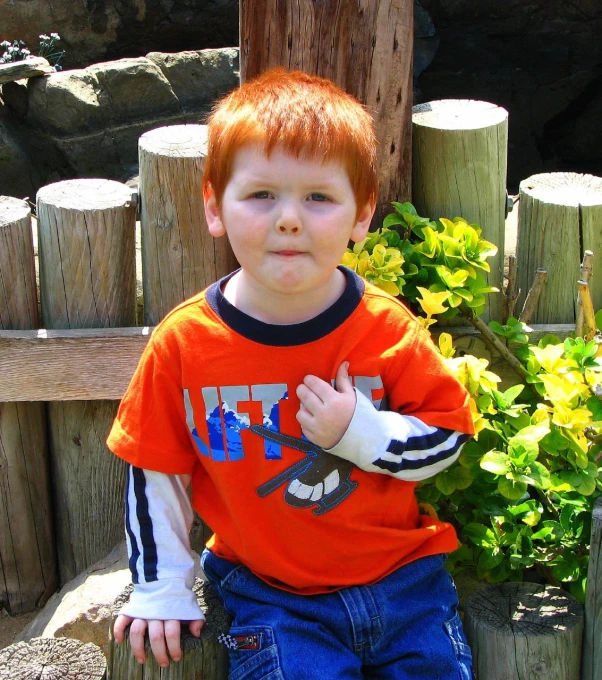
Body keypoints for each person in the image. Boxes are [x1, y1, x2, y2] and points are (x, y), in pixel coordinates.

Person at [107, 68, 475, 680]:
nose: (288, 220)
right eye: (261, 195)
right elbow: (154, 470)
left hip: (406, 585)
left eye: (318, 198)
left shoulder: (386, 330)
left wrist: (362, 434)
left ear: (362, 214)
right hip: (272, 598)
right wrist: (162, 585)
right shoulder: (185, 344)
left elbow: (447, 439)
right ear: (213, 207)